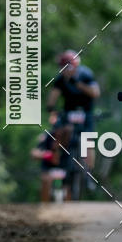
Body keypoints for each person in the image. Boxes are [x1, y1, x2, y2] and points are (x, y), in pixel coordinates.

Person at [46, 50, 100, 196]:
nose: (65, 71)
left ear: (75, 66)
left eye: (67, 67)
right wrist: (51, 108)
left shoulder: (85, 74)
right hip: (68, 113)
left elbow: (95, 93)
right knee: (59, 133)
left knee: (88, 141)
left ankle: (88, 172)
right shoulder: (60, 79)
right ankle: (58, 164)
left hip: (86, 112)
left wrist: (77, 83)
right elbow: (53, 96)